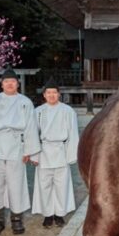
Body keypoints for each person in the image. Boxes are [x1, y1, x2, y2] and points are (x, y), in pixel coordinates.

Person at [0, 68, 39, 235]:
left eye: (12, 81)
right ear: (2, 84)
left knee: (16, 184)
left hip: (16, 145)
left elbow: (30, 128)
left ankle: (16, 220)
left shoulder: (25, 102)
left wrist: (29, 150)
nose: (10, 84)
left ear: (17, 84)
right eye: (6, 81)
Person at [30, 80, 79, 227]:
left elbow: (73, 134)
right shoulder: (37, 112)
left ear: (59, 94)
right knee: (44, 185)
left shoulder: (68, 111)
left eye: (54, 92)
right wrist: (34, 155)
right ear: (44, 95)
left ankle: (59, 214)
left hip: (60, 150)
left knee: (61, 185)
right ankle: (48, 214)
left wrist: (71, 155)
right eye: (48, 93)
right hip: (44, 150)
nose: (51, 95)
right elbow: (32, 135)